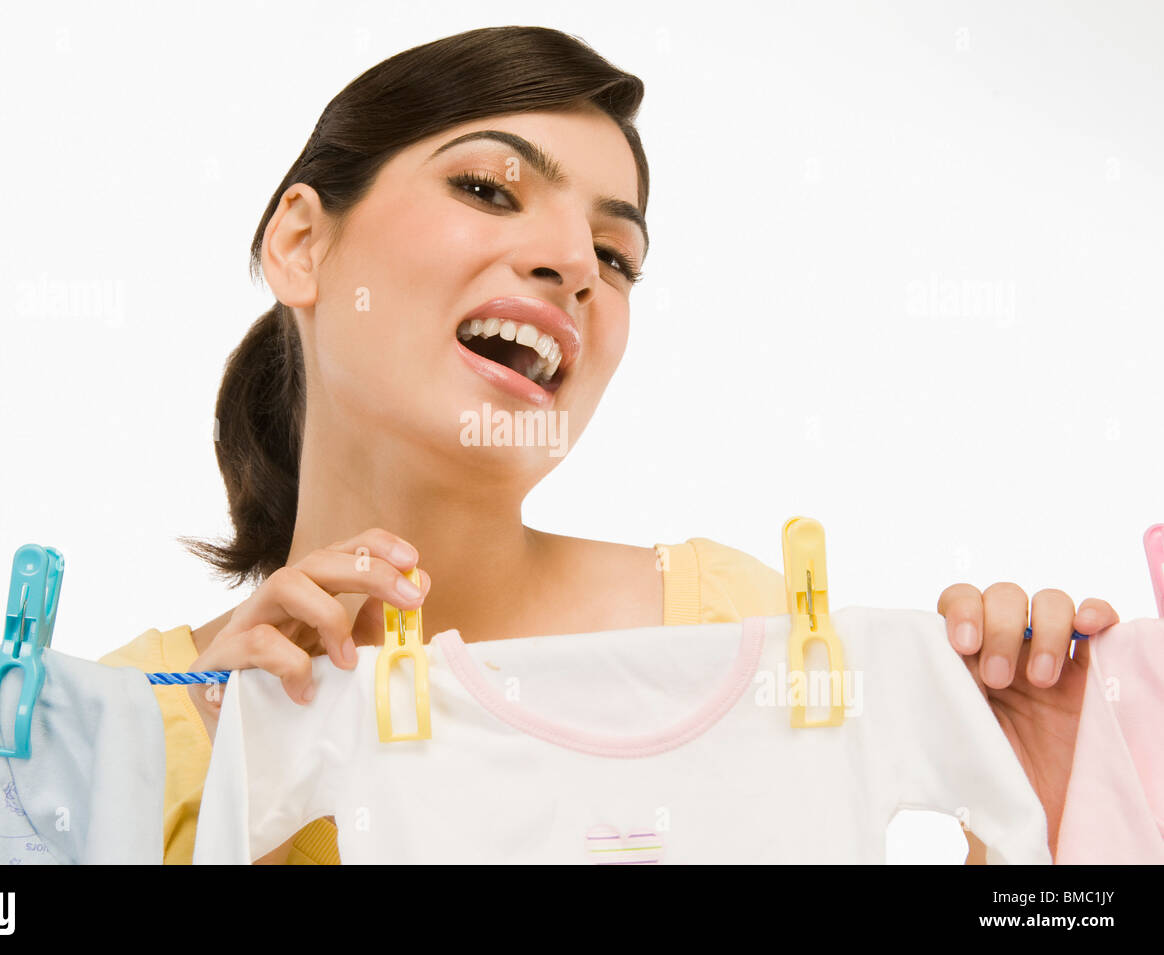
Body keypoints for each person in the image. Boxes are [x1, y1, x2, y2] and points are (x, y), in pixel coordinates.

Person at [99, 25, 1119, 865]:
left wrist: (1041, 819)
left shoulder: (744, 634)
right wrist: (214, 798)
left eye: (616, 253)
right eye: (489, 191)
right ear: (301, 245)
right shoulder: (116, 736)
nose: (572, 265)